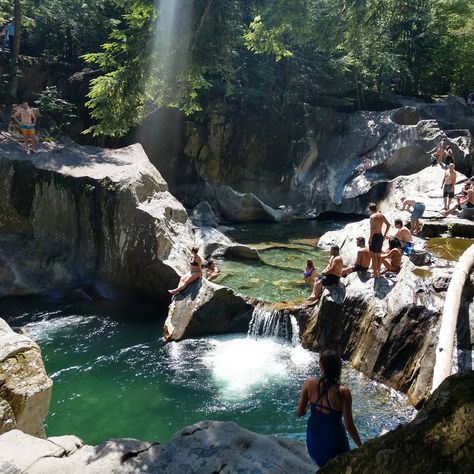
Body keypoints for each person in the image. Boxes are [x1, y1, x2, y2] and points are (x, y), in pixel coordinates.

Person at [296, 350, 362, 468]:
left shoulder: (309, 383)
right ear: (338, 368)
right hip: (335, 446)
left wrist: (310, 404)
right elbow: (349, 426)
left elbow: (299, 413)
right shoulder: (343, 392)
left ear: (322, 366)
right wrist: (361, 447)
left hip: (313, 443)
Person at [368, 203, 390, 278]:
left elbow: (373, 229)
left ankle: (375, 273)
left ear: (370, 209)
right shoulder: (381, 215)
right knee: (378, 254)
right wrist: (384, 235)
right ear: (376, 208)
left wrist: (370, 238)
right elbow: (388, 225)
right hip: (380, 236)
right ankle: (378, 271)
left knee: (373, 256)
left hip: (374, 237)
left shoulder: (372, 217)